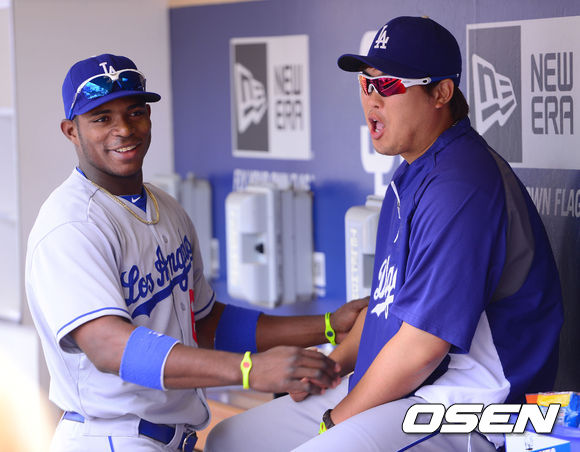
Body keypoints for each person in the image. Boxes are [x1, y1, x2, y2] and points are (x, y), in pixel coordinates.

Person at [205, 15, 564, 452]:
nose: (372, 98)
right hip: (406, 391)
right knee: (231, 440)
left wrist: (335, 420)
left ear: (441, 93)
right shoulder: (413, 171)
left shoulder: (463, 184)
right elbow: (386, 309)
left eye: (390, 84)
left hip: (466, 407)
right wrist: (332, 366)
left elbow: (421, 347)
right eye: (366, 83)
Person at [25, 53, 368, 452]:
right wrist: (248, 369)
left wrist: (329, 324)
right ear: (71, 131)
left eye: (135, 112)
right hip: (110, 436)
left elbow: (205, 323)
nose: (124, 129)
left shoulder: (165, 208)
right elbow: (109, 346)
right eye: (102, 118)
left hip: (172, 437)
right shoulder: (71, 225)